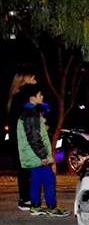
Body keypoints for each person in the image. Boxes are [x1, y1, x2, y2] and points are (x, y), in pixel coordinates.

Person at [16, 84, 70, 217]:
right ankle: (51, 207)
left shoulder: (27, 113)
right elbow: (34, 138)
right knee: (49, 178)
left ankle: (36, 206)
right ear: (32, 97)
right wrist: (42, 155)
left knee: (36, 179)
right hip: (35, 155)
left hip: (30, 154)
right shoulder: (31, 115)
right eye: (40, 95)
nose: (42, 96)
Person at [7, 73, 37, 210]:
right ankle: (26, 199)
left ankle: (24, 198)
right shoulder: (21, 99)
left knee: (24, 169)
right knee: (26, 169)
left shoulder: (16, 98)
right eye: (33, 79)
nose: (36, 81)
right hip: (23, 139)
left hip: (20, 139)